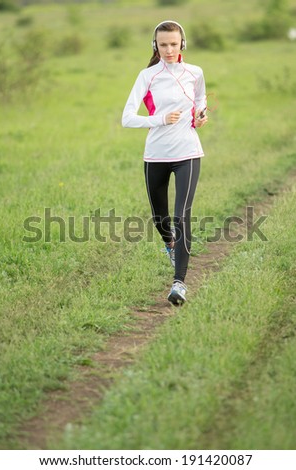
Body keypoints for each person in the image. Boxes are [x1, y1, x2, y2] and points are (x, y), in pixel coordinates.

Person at [122, 20, 208, 306]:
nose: (169, 50)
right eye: (163, 45)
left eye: (173, 44)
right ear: (155, 46)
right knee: (161, 219)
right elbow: (127, 118)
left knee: (182, 214)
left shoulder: (194, 72)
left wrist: (201, 114)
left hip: (188, 152)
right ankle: (169, 243)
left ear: (182, 43)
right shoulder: (147, 76)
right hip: (156, 155)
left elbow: (199, 99)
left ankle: (179, 283)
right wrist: (160, 119)